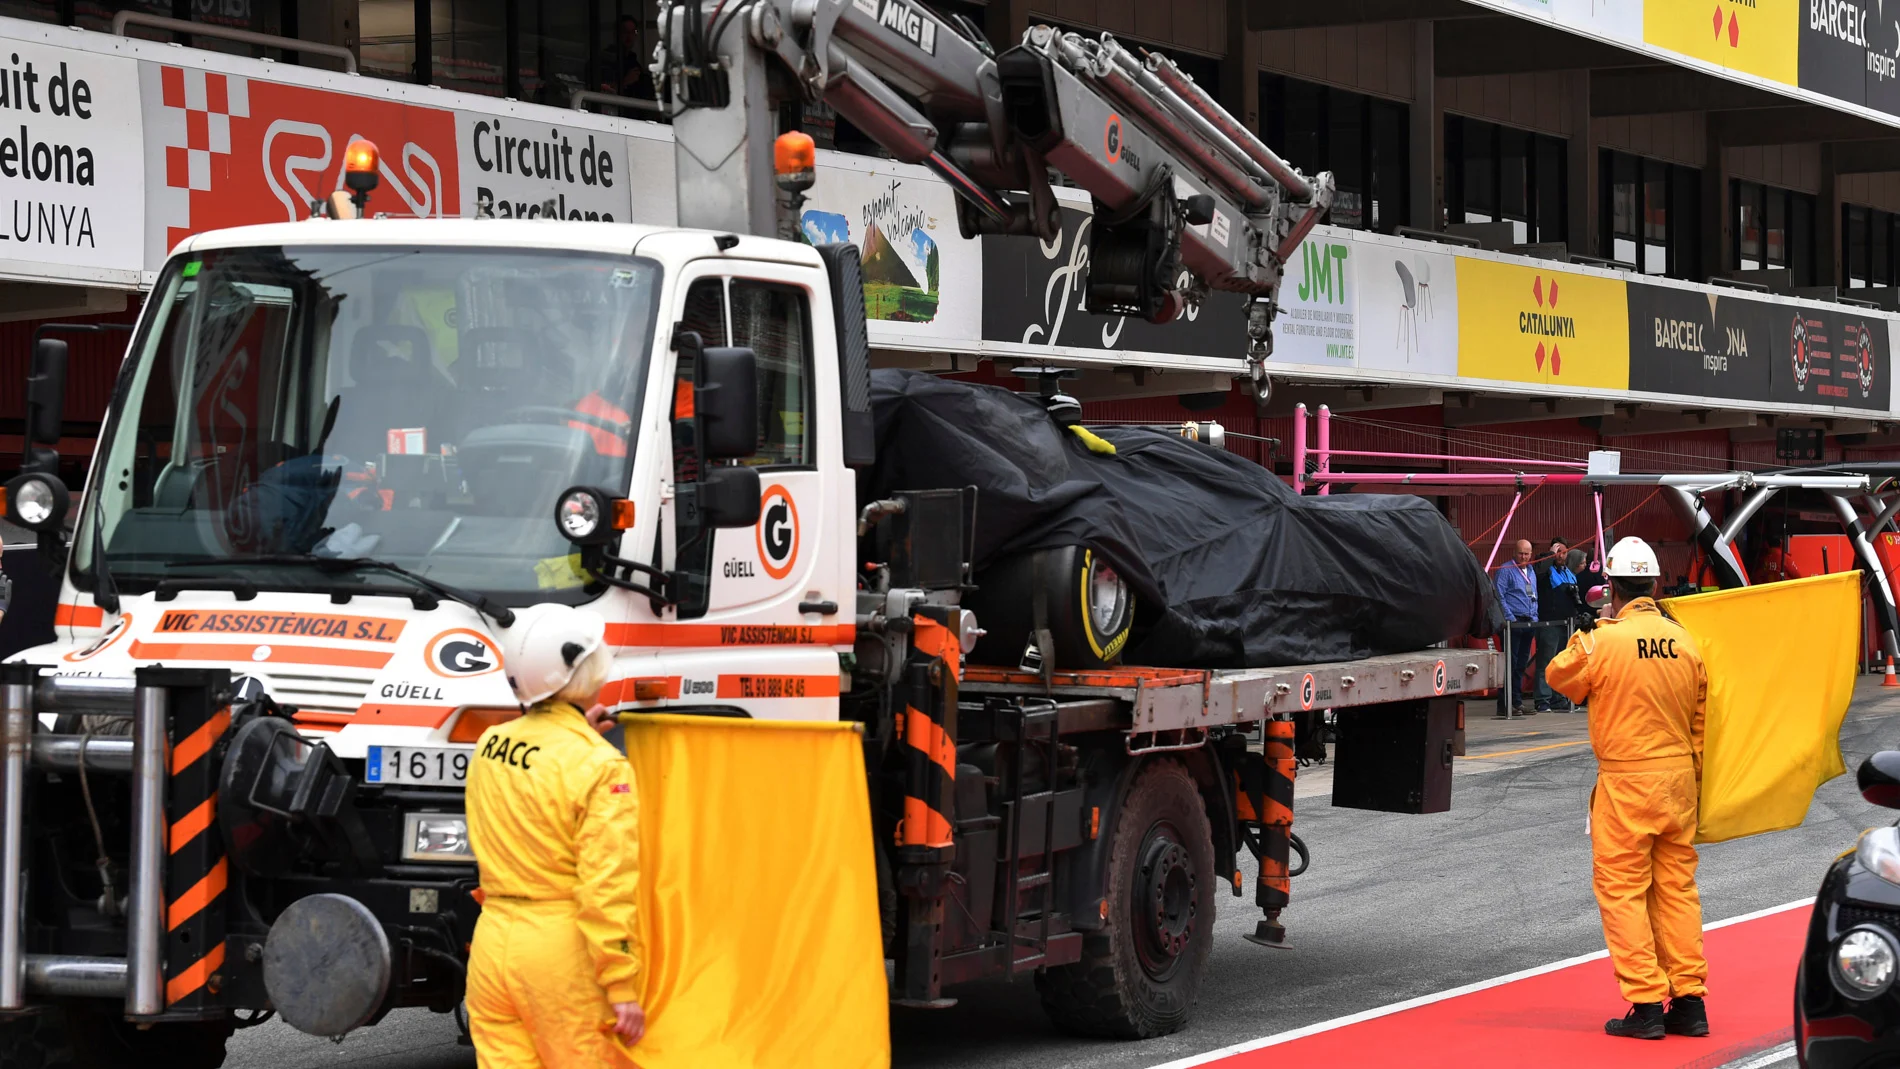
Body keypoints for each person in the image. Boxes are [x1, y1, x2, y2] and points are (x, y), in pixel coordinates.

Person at [465, 604, 646, 1067]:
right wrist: (621, 984)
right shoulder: (601, 767)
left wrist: (576, 734)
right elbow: (607, 883)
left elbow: (536, 778)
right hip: (559, 956)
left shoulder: (490, 744)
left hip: (492, 944)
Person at [1546, 536, 1710, 1041]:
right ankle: (1689, 1002)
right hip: (1679, 779)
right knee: (1676, 889)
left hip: (1626, 779)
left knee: (1622, 890)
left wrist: (1587, 634)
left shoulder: (1602, 640)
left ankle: (1645, 1004)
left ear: (1610, 587)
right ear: (1655, 584)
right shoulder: (1687, 642)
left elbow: (1559, 678)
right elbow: (1702, 721)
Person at [1493, 539, 1539, 717]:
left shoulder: (1531, 570)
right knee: (1509, 665)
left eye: (1527, 553)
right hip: (1513, 622)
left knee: (1521, 665)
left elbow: (1533, 594)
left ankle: (1517, 702)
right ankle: (1504, 704)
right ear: (1515, 552)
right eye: (1521, 553)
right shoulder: (1505, 570)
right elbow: (1499, 595)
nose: (1524, 557)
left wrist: (1535, 616)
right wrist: (1510, 618)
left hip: (1529, 621)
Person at [1535, 538, 1582, 712]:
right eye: (1558, 551)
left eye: (1564, 552)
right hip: (1550, 622)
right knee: (1546, 661)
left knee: (1562, 664)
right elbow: (1538, 571)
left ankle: (1559, 698)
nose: (1561, 555)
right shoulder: (1546, 570)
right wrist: (1550, 555)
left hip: (1567, 623)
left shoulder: (1568, 572)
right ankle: (1542, 699)